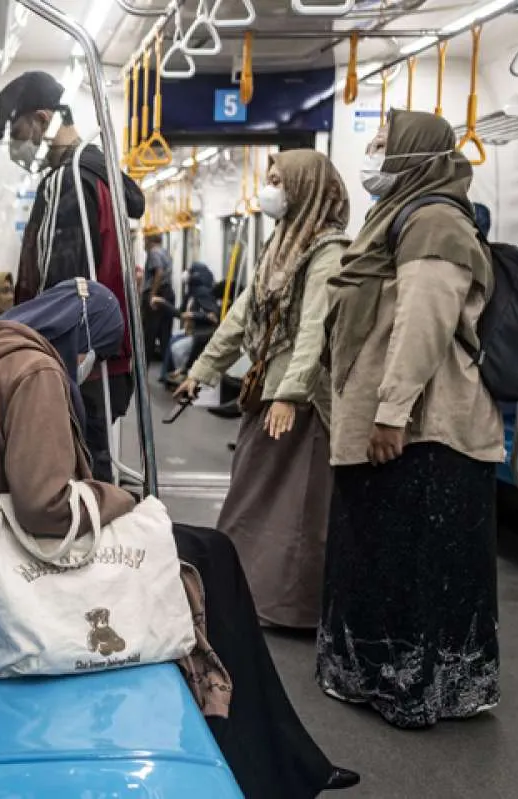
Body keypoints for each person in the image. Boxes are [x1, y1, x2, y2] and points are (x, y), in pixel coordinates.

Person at [0, 279, 357, 797]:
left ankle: (278, 757)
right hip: (35, 555)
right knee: (214, 560)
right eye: (97, 351)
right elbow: (45, 506)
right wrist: (124, 500)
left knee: (209, 554)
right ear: (81, 337)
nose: (90, 366)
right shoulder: (38, 372)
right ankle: (267, 763)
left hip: (2, 547)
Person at [318, 109, 502, 729]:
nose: (371, 153)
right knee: (381, 559)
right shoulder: (399, 217)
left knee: (415, 568)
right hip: (397, 423)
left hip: (426, 432)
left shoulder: (433, 222)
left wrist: (391, 414)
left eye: (380, 143)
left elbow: (422, 324)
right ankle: (375, 679)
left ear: (414, 154)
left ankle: (419, 692)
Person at [175, 150, 350, 630]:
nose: (270, 189)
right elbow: (242, 315)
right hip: (267, 393)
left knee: (297, 509)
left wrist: (290, 395)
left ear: (306, 188)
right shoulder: (283, 246)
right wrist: (203, 370)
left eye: (278, 181)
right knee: (251, 497)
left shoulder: (328, 253)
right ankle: (241, 591)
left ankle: (291, 606)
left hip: (301, 404)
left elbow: (316, 327)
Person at [0, 70, 146, 483]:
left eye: (18, 131)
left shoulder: (67, 178)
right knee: (93, 470)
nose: (15, 146)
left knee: (72, 478)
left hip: (77, 362)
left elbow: (61, 289)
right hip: (106, 361)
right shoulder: (100, 172)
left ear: (42, 120)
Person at [162, 261, 218, 384]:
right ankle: (169, 375)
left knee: (177, 347)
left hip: (201, 332)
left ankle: (183, 374)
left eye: (190, 271)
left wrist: (194, 315)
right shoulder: (191, 293)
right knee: (173, 339)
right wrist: (163, 303)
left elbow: (214, 317)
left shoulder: (203, 293)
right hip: (192, 330)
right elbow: (181, 314)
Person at [142, 233, 177, 361]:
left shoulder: (153, 252)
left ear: (149, 240)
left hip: (157, 294)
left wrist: (152, 295)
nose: (143, 244)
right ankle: (167, 371)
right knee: (165, 335)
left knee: (149, 336)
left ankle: (143, 371)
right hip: (167, 294)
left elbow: (159, 272)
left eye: (144, 240)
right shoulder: (166, 253)